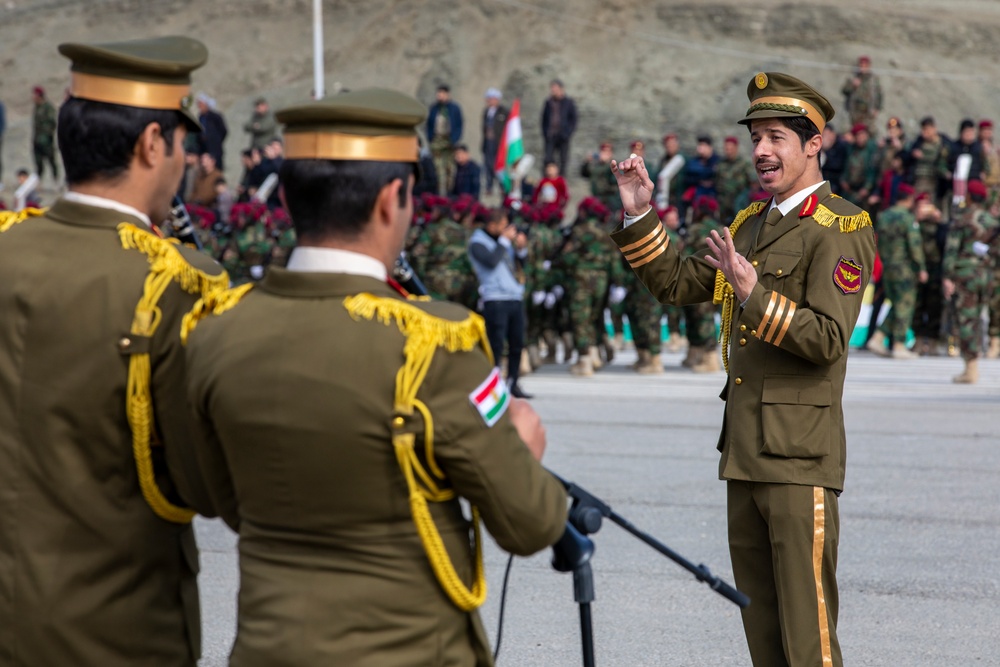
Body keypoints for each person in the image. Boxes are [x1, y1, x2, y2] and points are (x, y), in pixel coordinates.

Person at [182, 88, 566, 666]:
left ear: (286, 195)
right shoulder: (437, 342)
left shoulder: (217, 332)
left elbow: (211, 495)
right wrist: (522, 441)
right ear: (393, 199)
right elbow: (529, 522)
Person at [608, 72, 876, 667]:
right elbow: (679, 283)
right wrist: (640, 214)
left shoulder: (841, 227)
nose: (761, 151)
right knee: (762, 631)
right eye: (757, 137)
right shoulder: (750, 224)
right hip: (746, 452)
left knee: (808, 638)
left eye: (777, 136)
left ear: (814, 144)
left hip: (799, 456)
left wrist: (755, 296)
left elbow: (829, 340)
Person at [0, 36, 227, 666]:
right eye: (184, 145)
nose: (186, 163)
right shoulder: (175, 284)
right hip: (117, 634)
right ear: (153, 144)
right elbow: (208, 483)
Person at [469, 207, 533, 398]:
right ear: (492, 225)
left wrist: (521, 250)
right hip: (495, 299)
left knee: (517, 344)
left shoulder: (502, 242)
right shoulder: (477, 242)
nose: (508, 230)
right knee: (495, 345)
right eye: (504, 226)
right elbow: (491, 261)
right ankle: (492, 387)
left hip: (514, 297)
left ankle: (513, 382)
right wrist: (505, 240)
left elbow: (518, 266)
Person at [942, 179, 999, 383]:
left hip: (966, 276)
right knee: (980, 317)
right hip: (988, 275)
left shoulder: (962, 218)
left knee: (967, 321)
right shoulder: (991, 221)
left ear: (968, 196)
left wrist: (947, 276)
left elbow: (951, 250)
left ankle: (971, 368)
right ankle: (987, 349)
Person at [865, 184, 927, 358]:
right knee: (905, 305)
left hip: (888, 266)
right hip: (905, 268)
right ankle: (899, 344)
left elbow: (879, 241)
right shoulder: (907, 218)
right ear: (908, 199)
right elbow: (914, 245)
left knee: (898, 304)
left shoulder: (884, 216)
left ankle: (878, 337)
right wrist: (921, 267)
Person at [426, 84, 463, 195]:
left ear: (447, 94)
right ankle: (439, 194)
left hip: (450, 142)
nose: (440, 96)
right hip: (437, 142)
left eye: (442, 94)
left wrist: (454, 140)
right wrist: (431, 138)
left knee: (450, 170)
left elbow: (459, 125)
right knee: (438, 170)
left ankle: (449, 193)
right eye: (438, 94)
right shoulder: (434, 108)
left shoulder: (454, 109)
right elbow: (429, 125)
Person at [541, 78, 578, 177]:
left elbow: (573, 119)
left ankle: (561, 181)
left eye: (555, 88)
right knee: (548, 159)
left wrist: (567, 133)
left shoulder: (568, 102)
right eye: (552, 89)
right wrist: (545, 133)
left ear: (561, 89)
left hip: (563, 135)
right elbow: (544, 119)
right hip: (551, 135)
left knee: (563, 160)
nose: (553, 91)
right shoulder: (548, 103)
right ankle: (547, 180)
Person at [841, 55, 882, 131]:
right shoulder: (853, 77)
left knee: (868, 131)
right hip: (854, 111)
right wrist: (852, 86)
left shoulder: (873, 79)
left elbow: (879, 95)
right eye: (861, 65)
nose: (863, 67)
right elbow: (844, 91)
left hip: (868, 112)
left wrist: (877, 108)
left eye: (865, 65)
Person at [481, 87, 508, 195]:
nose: (491, 101)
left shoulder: (504, 112)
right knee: (488, 165)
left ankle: (503, 186)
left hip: (499, 144)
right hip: (488, 142)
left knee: (499, 165)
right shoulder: (486, 112)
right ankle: (489, 186)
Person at [31, 85, 58, 184]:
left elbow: (52, 123)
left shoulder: (48, 107)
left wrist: (47, 134)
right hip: (37, 139)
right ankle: (39, 181)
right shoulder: (36, 108)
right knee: (38, 161)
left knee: (51, 160)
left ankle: (56, 180)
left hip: (46, 140)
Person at [195, 92, 228, 170]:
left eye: (201, 104)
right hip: (204, 148)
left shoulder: (216, 117)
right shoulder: (200, 117)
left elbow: (223, 131)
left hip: (215, 149)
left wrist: (216, 140)